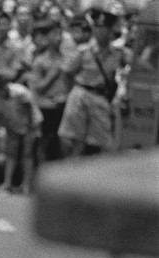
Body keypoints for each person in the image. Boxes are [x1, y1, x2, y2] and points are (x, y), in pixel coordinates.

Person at [57, 4, 128, 156]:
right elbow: (66, 72)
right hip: (81, 93)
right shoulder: (84, 51)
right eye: (97, 27)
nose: (100, 31)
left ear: (110, 30)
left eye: (104, 28)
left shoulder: (117, 53)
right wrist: (72, 92)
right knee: (72, 140)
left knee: (104, 144)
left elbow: (137, 64)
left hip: (100, 97)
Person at [28, 18, 69, 162]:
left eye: (60, 34)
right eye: (54, 35)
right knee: (42, 142)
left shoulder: (66, 58)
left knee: (61, 142)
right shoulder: (40, 61)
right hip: (45, 107)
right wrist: (53, 74)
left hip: (62, 106)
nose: (58, 38)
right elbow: (37, 87)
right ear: (47, 38)